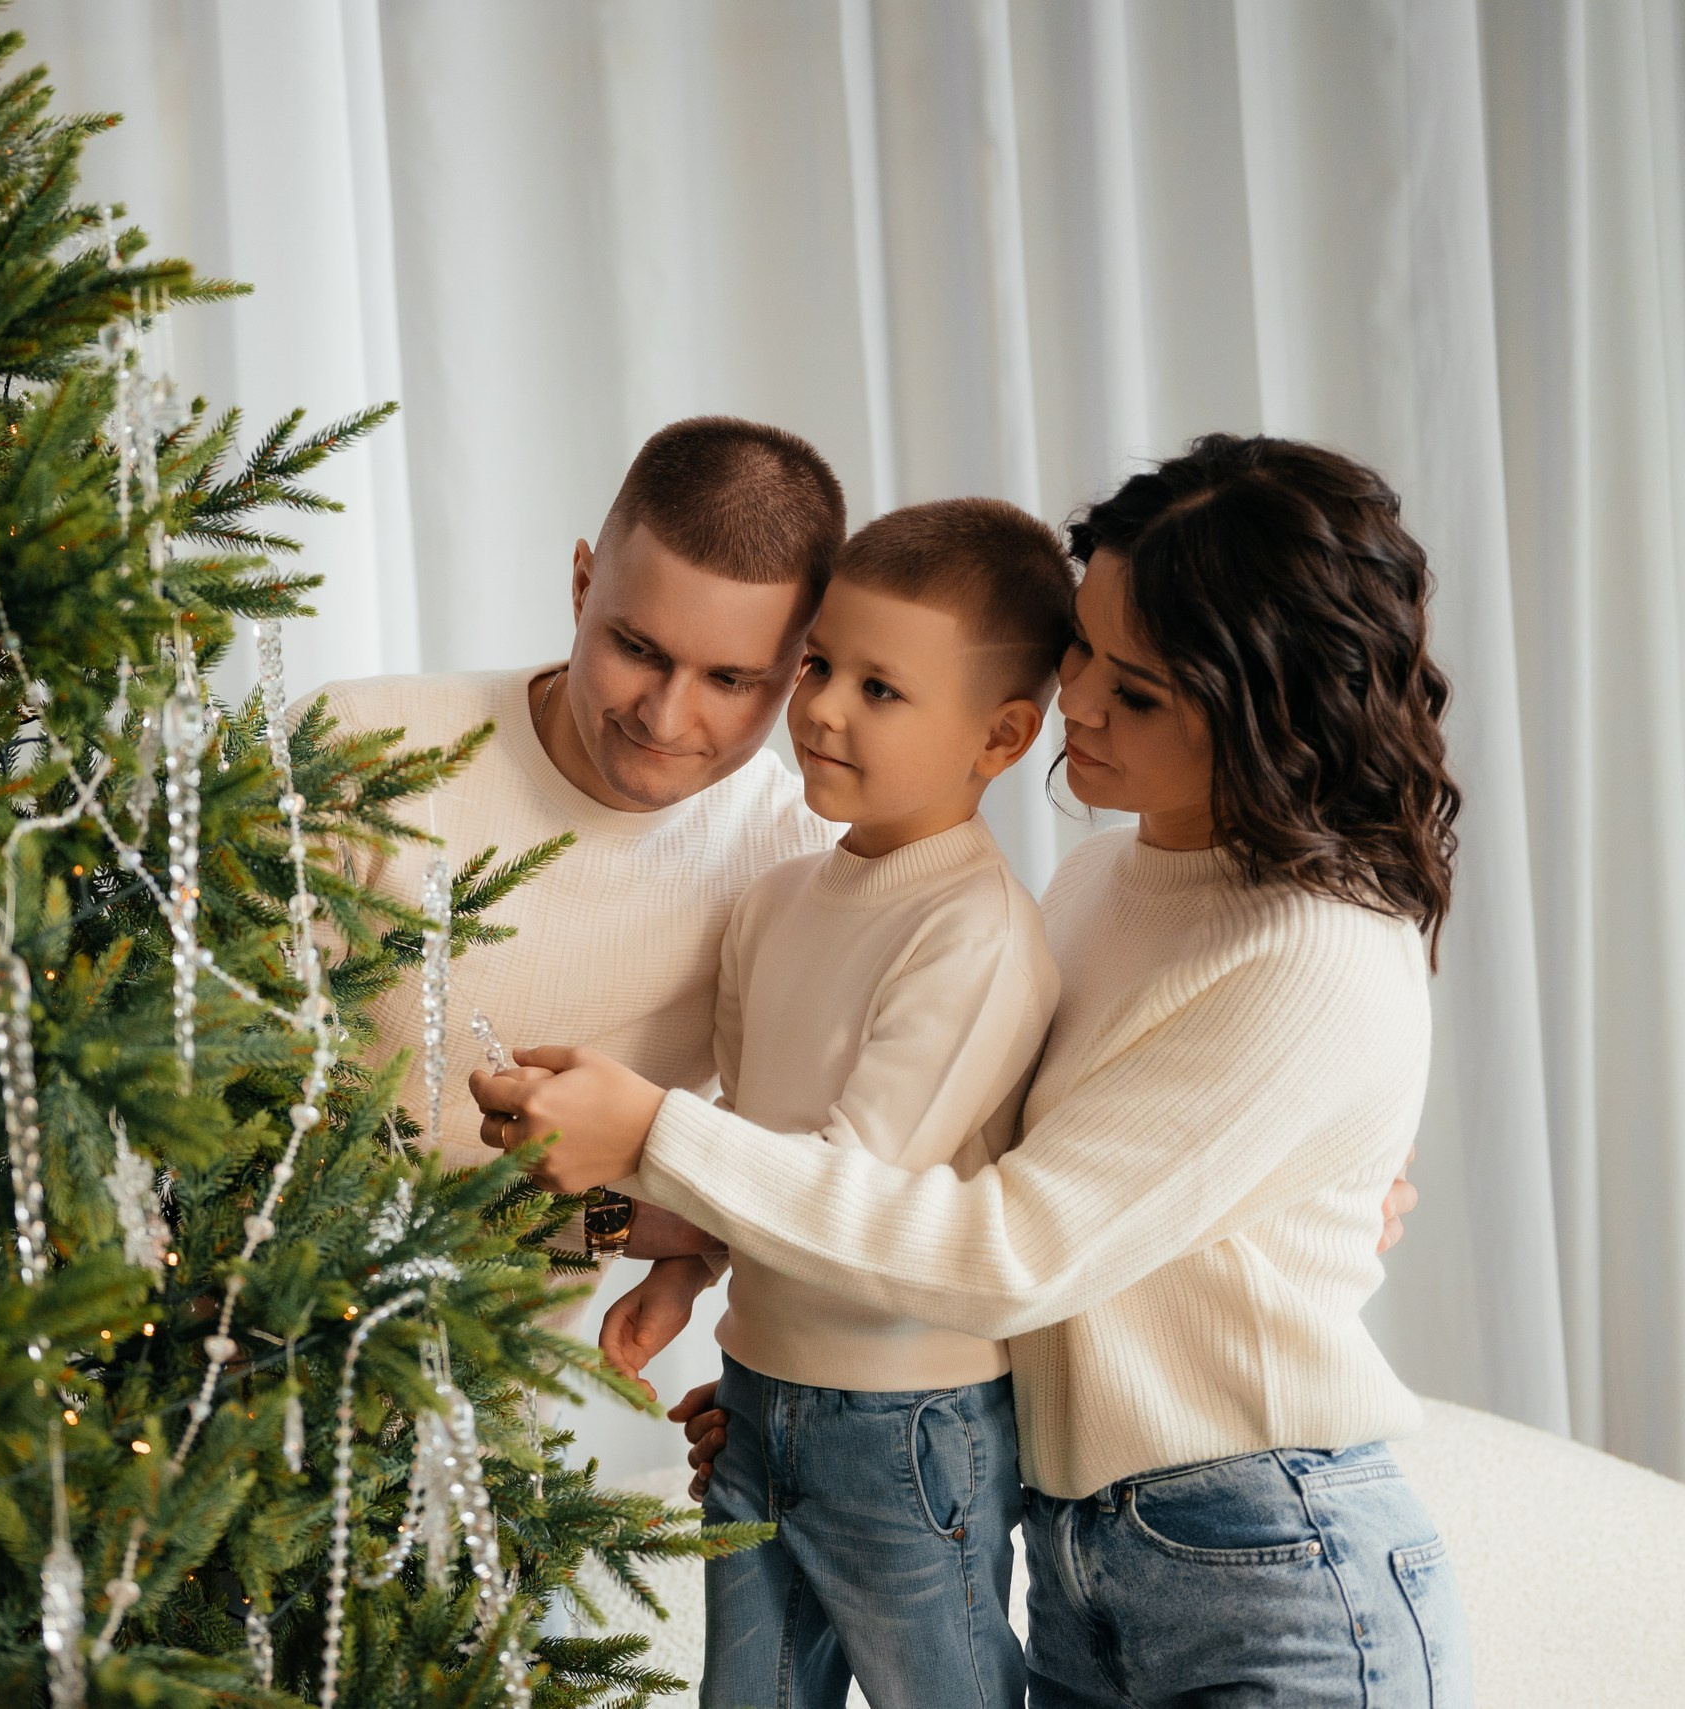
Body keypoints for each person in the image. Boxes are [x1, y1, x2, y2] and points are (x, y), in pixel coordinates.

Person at [474, 434, 1473, 1706]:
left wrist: (656, 1132)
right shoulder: (1106, 877)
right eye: (1081, 653)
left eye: (1142, 691)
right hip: (1072, 1558)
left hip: (1266, 1568)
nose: (1080, 707)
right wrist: (815, 1394)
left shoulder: (1312, 950)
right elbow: (981, 1166)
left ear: (1267, 703)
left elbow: (1008, 1247)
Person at [583, 498, 1076, 1708]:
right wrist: (681, 1275)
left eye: (880, 688)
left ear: (1001, 734)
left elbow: (846, 1180)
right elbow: (749, 1140)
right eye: (818, 664)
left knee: (944, 1689)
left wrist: (636, 1146)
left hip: (909, 1423)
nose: (822, 707)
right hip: (758, 1391)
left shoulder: (977, 932)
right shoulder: (773, 898)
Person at [315, 415, 845, 1267]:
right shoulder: (357, 745)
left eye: (731, 680)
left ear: (804, 667)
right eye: (637, 648)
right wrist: (609, 1220)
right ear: (580, 584)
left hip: (511, 1388)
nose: (664, 717)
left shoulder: (804, 861)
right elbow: (241, 1097)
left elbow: (831, 1167)